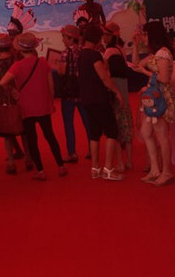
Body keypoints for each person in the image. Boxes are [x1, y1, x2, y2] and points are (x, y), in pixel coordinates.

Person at [0, 32, 67, 181]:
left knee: (32, 140)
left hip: (26, 107)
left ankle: (40, 170)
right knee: (50, 136)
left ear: (20, 49)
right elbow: (51, 85)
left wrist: (13, 91)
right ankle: (61, 166)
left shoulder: (17, 66)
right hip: (43, 105)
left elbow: (2, 82)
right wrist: (50, 100)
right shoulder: (42, 62)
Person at [134, 21, 175, 187]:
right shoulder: (156, 54)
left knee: (162, 135)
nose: (144, 37)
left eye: (145, 34)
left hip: (161, 99)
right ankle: (155, 169)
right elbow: (137, 64)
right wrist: (136, 45)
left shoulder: (162, 53)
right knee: (146, 132)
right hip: (153, 97)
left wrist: (145, 72)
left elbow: (164, 78)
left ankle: (167, 171)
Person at [77, 25, 123, 181]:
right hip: (99, 98)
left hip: (87, 98)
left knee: (94, 133)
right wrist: (116, 91)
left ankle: (95, 168)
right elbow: (104, 77)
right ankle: (108, 168)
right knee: (111, 131)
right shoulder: (94, 56)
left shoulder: (81, 55)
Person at [0, 34, 28, 173]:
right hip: (20, 98)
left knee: (6, 133)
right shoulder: (18, 61)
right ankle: (29, 159)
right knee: (24, 131)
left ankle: (11, 162)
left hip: (3, 99)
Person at [103, 22, 134, 170]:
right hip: (124, 89)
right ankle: (129, 161)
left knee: (114, 129)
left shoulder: (108, 51)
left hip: (114, 91)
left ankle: (120, 163)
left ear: (111, 36)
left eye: (106, 34)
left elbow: (105, 72)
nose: (103, 37)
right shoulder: (121, 50)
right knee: (127, 128)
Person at [57, 24, 90, 163]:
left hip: (69, 92)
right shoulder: (83, 51)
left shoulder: (65, 53)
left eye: (64, 37)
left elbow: (62, 72)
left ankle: (72, 153)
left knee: (68, 123)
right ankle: (92, 148)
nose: (63, 39)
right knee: (87, 121)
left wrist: (57, 66)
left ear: (70, 38)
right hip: (82, 90)